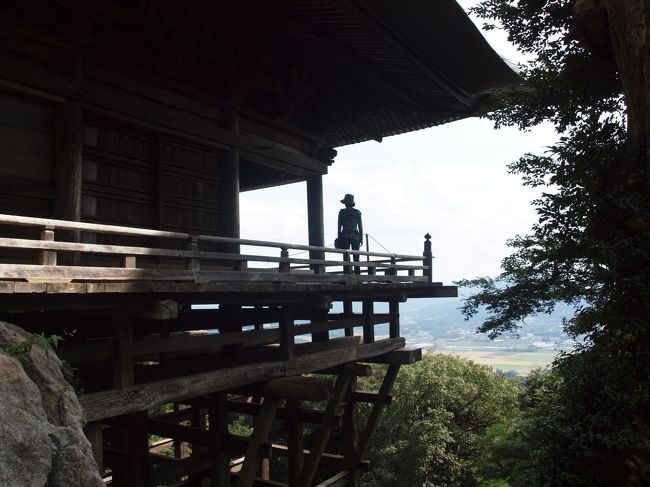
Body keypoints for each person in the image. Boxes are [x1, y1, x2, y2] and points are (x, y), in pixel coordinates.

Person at [336, 194, 363, 272]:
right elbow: (360, 227)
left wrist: (339, 237)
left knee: (346, 257)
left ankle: (347, 274)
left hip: (344, 236)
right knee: (356, 257)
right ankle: (358, 275)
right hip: (355, 236)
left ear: (345, 203)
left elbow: (339, 226)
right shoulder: (357, 212)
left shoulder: (342, 212)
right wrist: (361, 238)